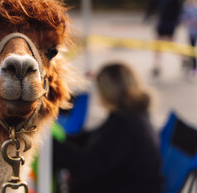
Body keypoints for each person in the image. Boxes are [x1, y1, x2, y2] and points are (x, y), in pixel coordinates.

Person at [53, 62, 163, 193]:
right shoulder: (132, 115)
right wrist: (62, 140)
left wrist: (51, 146)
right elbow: (97, 138)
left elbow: (86, 166)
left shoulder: (126, 125)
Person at [145, 0, 182, 77]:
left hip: (170, 22)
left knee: (171, 42)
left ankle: (183, 59)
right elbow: (153, 5)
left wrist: (177, 20)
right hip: (162, 22)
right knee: (158, 43)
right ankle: (157, 66)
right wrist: (147, 15)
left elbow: (179, 8)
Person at [181, 0, 197, 77]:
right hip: (191, 31)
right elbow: (183, 17)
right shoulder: (186, 6)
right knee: (191, 49)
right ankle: (193, 66)